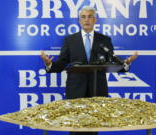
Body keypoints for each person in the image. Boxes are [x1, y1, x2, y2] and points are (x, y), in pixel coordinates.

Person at [41, 6, 138, 135]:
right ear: (79, 20)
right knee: (75, 127)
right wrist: (50, 64)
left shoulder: (104, 40)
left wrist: (126, 64)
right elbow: (63, 63)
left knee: (94, 127)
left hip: (97, 88)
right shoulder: (70, 40)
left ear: (95, 20)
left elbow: (111, 62)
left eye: (90, 16)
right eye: (83, 17)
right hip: (75, 89)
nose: (87, 20)